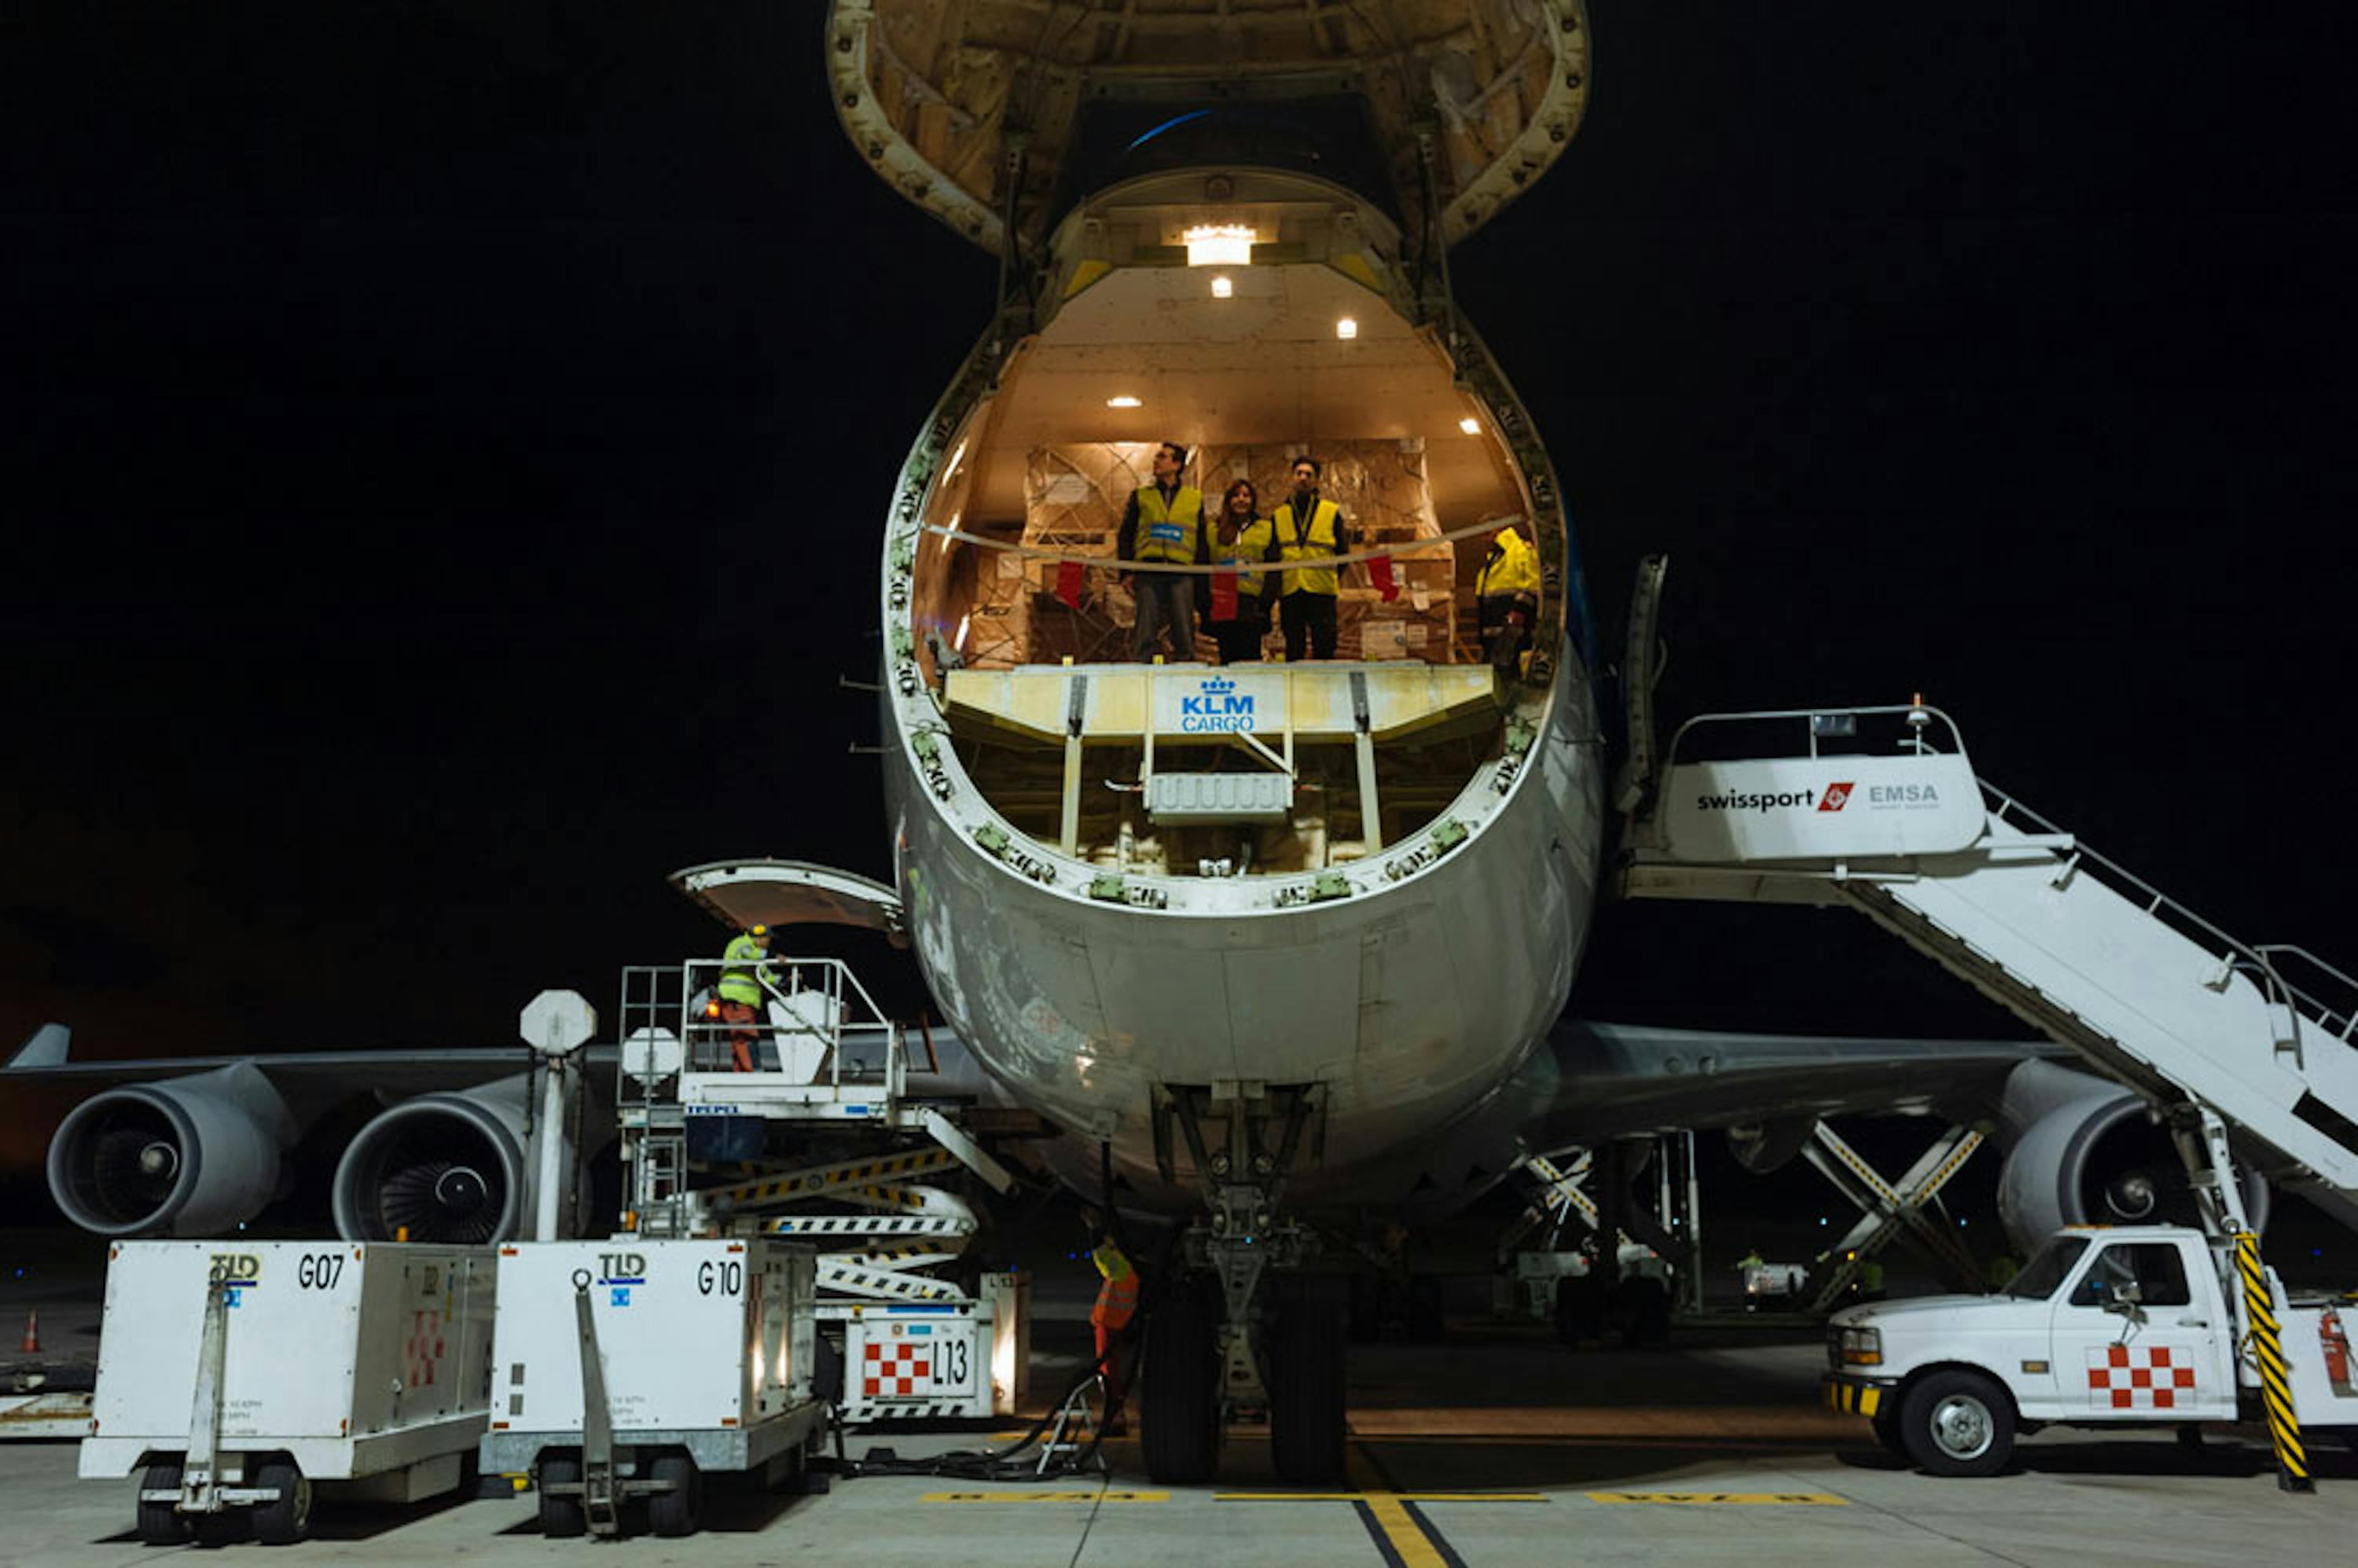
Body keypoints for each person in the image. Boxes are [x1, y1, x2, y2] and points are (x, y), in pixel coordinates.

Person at [1117, 440, 1209, 661]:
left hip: (1181, 570)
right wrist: (1126, 572)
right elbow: (1126, 535)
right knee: (1146, 625)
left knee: (1183, 625)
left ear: (1177, 465)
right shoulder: (1141, 496)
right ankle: (1143, 667)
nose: (1156, 461)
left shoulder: (1193, 498)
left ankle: (1185, 666)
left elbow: (1201, 540)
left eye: (1162, 457)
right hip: (1149, 568)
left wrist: (1201, 578)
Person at [1266, 455, 1350, 660]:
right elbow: (1273, 555)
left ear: (1317, 481)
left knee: (1325, 646)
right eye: (1299, 473)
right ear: (1292, 478)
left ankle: (1324, 688)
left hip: (1321, 590)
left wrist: (1330, 577)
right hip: (1291, 589)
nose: (1303, 478)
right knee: (1294, 647)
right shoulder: (1279, 515)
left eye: (1308, 474)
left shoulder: (1330, 512)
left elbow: (1343, 553)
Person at [1199, 478, 1273, 665]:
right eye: (1236, 495)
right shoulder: (1213, 530)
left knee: (1250, 660)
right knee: (1228, 658)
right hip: (1224, 601)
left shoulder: (1266, 528)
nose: (1241, 500)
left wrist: (1266, 600)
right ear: (1228, 500)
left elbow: (1273, 567)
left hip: (1252, 603)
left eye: (1246, 495)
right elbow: (1203, 565)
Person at [1082, 1206, 1140, 1435]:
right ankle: (1116, 1416)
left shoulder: (1124, 1269)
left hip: (1110, 1325)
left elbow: (1103, 1257)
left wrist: (1094, 1230)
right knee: (1114, 1375)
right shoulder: (1135, 1267)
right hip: (1121, 1326)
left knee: (1109, 1376)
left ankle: (1115, 1419)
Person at [1474, 520, 1541, 673]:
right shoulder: (1493, 561)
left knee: (1511, 675)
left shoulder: (1520, 551)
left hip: (1513, 634)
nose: (1484, 540)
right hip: (1494, 639)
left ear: (1498, 530)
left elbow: (1533, 585)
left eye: (1487, 534)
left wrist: (1519, 611)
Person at [716, 922, 773, 1073]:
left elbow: (767, 976)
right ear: (761, 937)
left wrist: (786, 980)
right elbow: (749, 956)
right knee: (746, 1036)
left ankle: (741, 1074)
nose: (768, 944)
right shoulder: (742, 944)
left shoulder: (756, 953)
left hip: (744, 1001)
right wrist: (771, 956)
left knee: (739, 1039)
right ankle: (754, 1071)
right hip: (736, 998)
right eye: (768, 939)